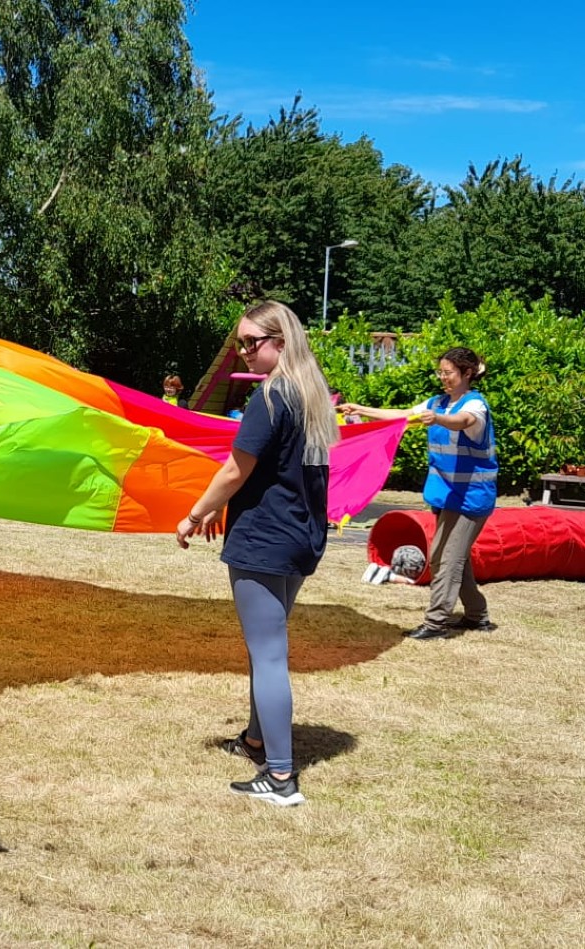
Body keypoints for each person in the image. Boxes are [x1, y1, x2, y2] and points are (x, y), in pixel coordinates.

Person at [176, 301, 337, 808]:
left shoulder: (270, 396)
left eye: (253, 342)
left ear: (280, 342)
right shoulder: (311, 394)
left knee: (268, 655)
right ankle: (255, 740)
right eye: (241, 343)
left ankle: (281, 777)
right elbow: (281, 473)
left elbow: (234, 469)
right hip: (299, 536)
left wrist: (196, 514)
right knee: (264, 647)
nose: (244, 351)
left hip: (266, 540)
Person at [341, 346, 498, 640]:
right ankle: (478, 616)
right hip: (448, 495)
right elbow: (402, 415)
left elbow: (463, 421)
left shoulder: (475, 405)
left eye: (448, 373)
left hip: (473, 497)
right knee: (447, 557)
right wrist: (361, 410)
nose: (443, 378)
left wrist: (437, 418)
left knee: (448, 560)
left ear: (467, 373)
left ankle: (436, 623)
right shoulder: (437, 402)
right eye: (440, 372)